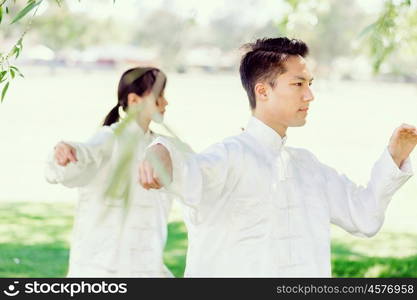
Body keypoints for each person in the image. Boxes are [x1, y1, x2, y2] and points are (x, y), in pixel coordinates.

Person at [139, 37, 416, 277]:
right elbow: (189, 170)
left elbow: (365, 216)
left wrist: (394, 157)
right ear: (262, 90)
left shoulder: (308, 166)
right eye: (298, 84)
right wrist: (160, 149)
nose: (310, 95)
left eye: (310, 83)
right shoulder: (228, 157)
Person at [45, 67, 174, 277]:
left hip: (145, 264)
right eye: (159, 95)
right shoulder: (109, 138)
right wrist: (66, 152)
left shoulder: (161, 147)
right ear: (134, 100)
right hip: (102, 268)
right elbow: (85, 154)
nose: (165, 102)